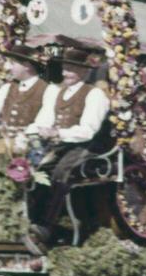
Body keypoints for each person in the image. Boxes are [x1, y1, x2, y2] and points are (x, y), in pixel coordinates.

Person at [25, 44, 111, 254]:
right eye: (64, 68)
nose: (65, 73)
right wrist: (32, 131)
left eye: (71, 69)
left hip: (89, 147)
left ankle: (47, 226)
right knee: (36, 172)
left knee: (62, 173)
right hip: (62, 145)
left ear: (84, 70)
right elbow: (43, 120)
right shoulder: (57, 92)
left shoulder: (95, 95)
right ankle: (35, 223)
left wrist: (57, 133)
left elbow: (89, 130)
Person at [0, 44, 56, 139]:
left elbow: (44, 122)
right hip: (6, 144)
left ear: (26, 66)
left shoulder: (49, 90)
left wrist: (23, 134)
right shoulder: (7, 88)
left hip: (32, 144)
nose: (8, 67)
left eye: (12, 63)